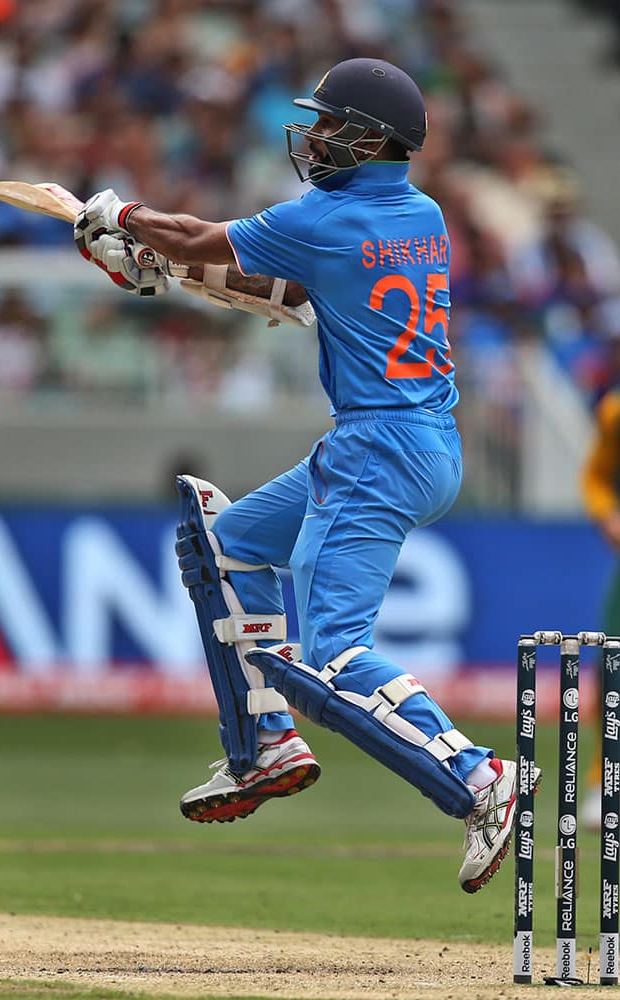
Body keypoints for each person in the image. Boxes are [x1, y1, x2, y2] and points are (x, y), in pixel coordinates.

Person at [74, 57, 533, 894]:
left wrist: (126, 219)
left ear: (369, 138)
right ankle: (265, 747)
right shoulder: (420, 213)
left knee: (331, 656)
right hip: (424, 437)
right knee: (227, 545)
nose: (314, 138)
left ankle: (479, 779)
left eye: (329, 125)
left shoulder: (326, 216)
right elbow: (293, 287)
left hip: (376, 449)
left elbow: (209, 243)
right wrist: (162, 267)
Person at [580, 373, 620, 829]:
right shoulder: (615, 412)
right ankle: (603, 781)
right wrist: (607, 515)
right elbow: (595, 477)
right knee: (611, 672)